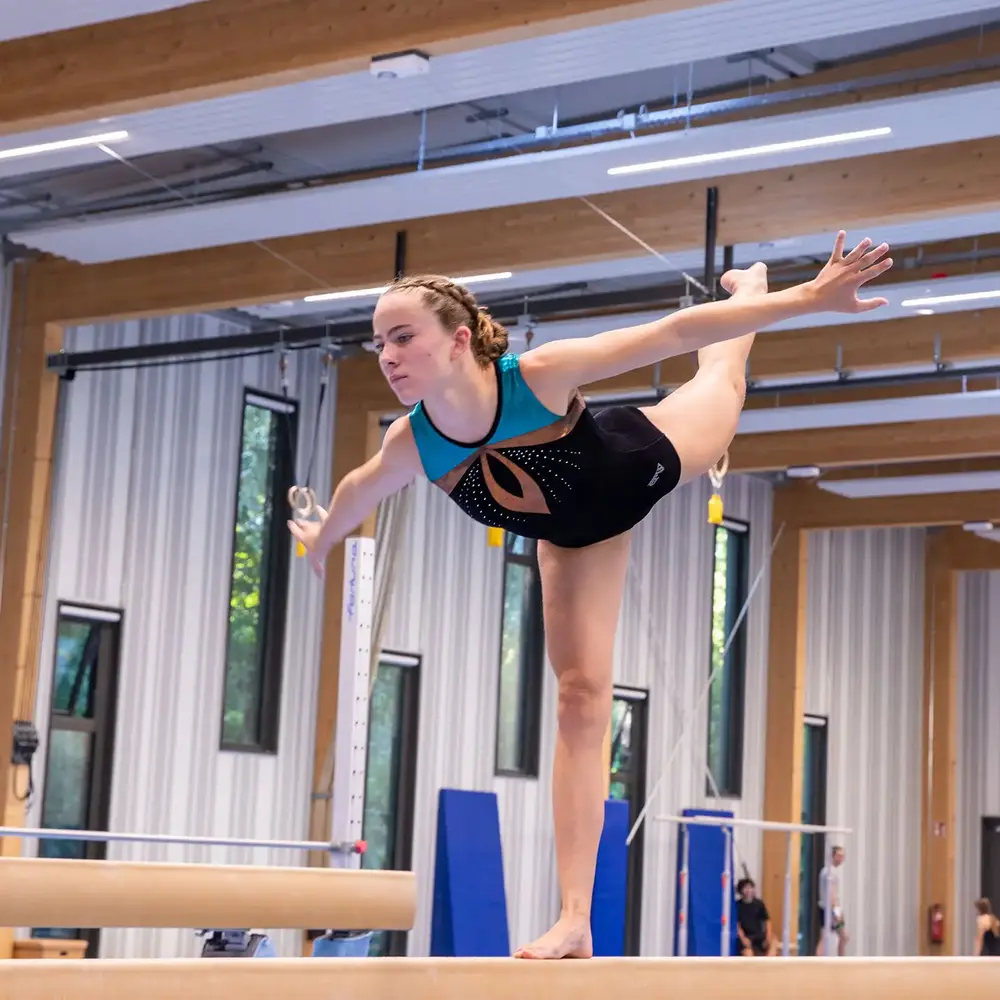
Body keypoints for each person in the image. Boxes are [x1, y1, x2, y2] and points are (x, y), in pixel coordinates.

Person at [288, 232, 892, 959]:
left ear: (457, 342)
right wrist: (322, 542)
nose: (386, 356)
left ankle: (752, 293)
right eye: (379, 340)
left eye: (403, 337)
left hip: (636, 466)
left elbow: (672, 331)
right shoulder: (414, 443)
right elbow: (358, 490)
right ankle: (577, 917)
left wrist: (808, 298)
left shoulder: (536, 377)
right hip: (573, 541)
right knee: (580, 699)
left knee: (721, 387)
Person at [816, 844, 848, 956]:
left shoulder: (825, 872)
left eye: (843, 856)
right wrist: (838, 913)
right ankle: (839, 961)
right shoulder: (830, 873)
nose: (841, 859)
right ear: (833, 856)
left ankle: (838, 960)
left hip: (827, 909)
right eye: (839, 856)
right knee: (842, 936)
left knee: (840, 937)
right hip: (830, 911)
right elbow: (832, 897)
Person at [735, 878, 778, 956]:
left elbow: (767, 920)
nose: (749, 890)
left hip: (759, 936)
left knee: (774, 941)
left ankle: (768, 964)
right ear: (741, 890)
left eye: (750, 887)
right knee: (748, 953)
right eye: (746, 888)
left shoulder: (759, 904)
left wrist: (768, 936)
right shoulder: (738, 906)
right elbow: (737, 925)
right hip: (747, 937)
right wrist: (743, 938)